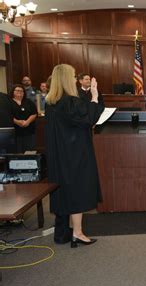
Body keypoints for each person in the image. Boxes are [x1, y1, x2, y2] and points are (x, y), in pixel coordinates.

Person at [45, 64, 104, 247]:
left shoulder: (51, 102)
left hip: (59, 154)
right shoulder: (70, 101)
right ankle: (77, 233)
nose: (74, 80)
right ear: (65, 80)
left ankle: (63, 233)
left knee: (64, 191)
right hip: (75, 154)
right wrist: (94, 96)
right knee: (77, 190)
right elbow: (89, 118)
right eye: (72, 77)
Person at [10, 84, 37, 153]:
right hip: (15, 132)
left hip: (29, 131)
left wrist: (27, 122)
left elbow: (34, 113)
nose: (19, 92)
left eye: (21, 91)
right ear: (13, 92)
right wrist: (16, 121)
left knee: (29, 151)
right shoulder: (9, 102)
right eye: (17, 90)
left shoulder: (28, 102)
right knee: (17, 151)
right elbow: (7, 114)